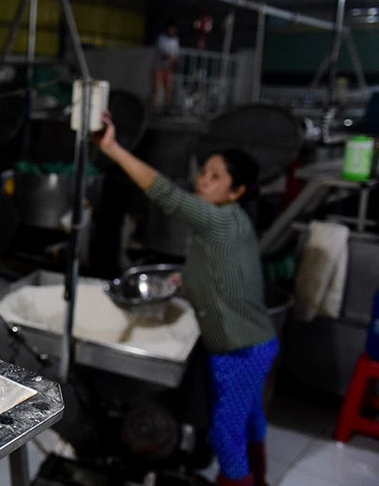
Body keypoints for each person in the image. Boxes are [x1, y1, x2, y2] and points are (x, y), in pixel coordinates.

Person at [94, 116, 278, 486]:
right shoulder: (231, 223)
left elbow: (166, 195)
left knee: (226, 436)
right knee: (250, 422)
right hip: (256, 343)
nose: (202, 181)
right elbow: (218, 271)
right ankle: (259, 480)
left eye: (214, 177)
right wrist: (183, 280)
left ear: (236, 191)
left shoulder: (219, 220)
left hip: (239, 349)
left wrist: (112, 148)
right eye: (204, 172)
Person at [152, 20, 180, 113]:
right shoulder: (161, 39)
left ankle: (166, 108)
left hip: (169, 68)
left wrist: (174, 63)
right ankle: (153, 107)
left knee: (168, 88)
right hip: (159, 67)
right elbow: (163, 53)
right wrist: (170, 57)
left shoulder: (175, 41)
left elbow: (176, 55)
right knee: (156, 87)